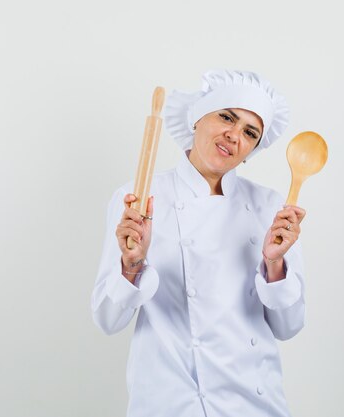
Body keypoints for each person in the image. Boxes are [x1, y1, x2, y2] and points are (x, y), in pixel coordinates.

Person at [91, 69, 307, 417]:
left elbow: (288, 327)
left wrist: (275, 264)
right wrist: (131, 266)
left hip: (253, 402)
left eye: (250, 133)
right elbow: (107, 319)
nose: (233, 135)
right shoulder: (140, 197)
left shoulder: (270, 207)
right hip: (170, 401)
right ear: (197, 119)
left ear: (252, 150)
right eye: (226, 117)